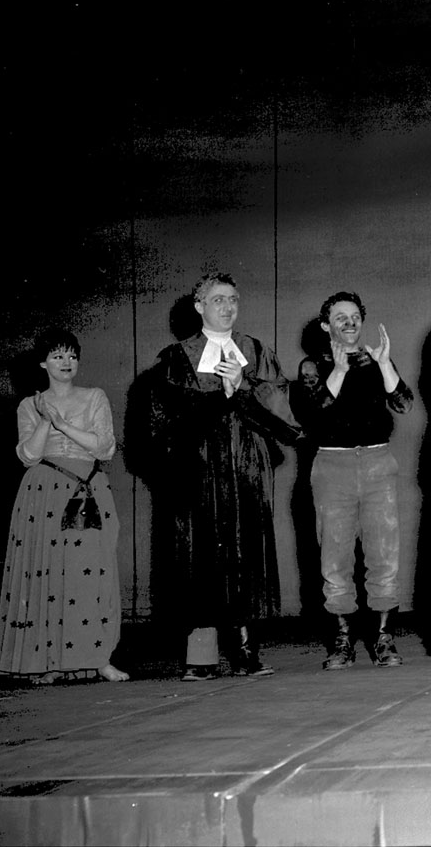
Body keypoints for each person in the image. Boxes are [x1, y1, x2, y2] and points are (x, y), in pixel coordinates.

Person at [152, 272, 298, 681]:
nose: (228, 307)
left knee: (245, 552)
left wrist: (244, 387)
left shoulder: (255, 350)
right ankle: (201, 657)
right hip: (198, 469)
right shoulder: (177, 358)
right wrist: (222, 397)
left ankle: (247, 653)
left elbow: (282, 415)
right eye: (218, 300)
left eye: (233, 299)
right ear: (199, 306)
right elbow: (169, 422)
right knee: (200, 555)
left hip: (248, 467)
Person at [0, 329, 129, 685]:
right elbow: (27, 455)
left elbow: (104, 448)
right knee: (48, 574)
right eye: (57, 357)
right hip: (44, 492)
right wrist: (43, 419)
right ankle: (48, 661)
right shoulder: (29, 405)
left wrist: (61, 423)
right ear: (43, 363)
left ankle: (100, 659)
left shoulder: (94, 397)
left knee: (93, 574)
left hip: (88, 490)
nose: (66, 363)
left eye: (71, 356)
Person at [294, 291, 413, 669]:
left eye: (354, 316)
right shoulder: (313, 366)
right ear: (326, 325)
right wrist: (341, 369)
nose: (349, 322)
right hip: (333, 467)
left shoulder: (377, 360)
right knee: (335, 558)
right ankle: (342, 642)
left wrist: (384, 365)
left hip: (378, 462)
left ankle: (383, 640)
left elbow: (404, 404)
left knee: (384, 557)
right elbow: (315, 414)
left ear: (362, 320)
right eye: (339, 317)